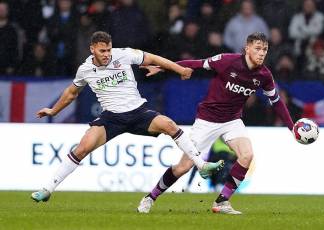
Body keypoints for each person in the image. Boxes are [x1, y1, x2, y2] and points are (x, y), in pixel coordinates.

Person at [30, 31, 223, 203]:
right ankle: (47, 189)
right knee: (82, 148)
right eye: (102, 51)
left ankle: (201, 165)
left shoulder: (124, 54)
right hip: (111, 118)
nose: (106, 55)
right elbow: (72, 93)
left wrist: (179, 69)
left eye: (108, 50)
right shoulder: (85, 69)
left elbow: (153, 57)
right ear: (92, 50)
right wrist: (54, 111)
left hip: (138, 112)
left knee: (170, 125)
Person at [137, 32, 294, 214]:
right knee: (183, 167)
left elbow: (276, 101)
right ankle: (150, 198)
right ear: (247, 48)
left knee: (247, 155)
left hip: (233, 120)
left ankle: (222, 201)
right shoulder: (227, 61)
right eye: (258, 48)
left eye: (265, 49)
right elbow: (197, 64)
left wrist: (291, 127)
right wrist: (163, 68)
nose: (261, 53)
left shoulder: (264, 75)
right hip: (207, 120)